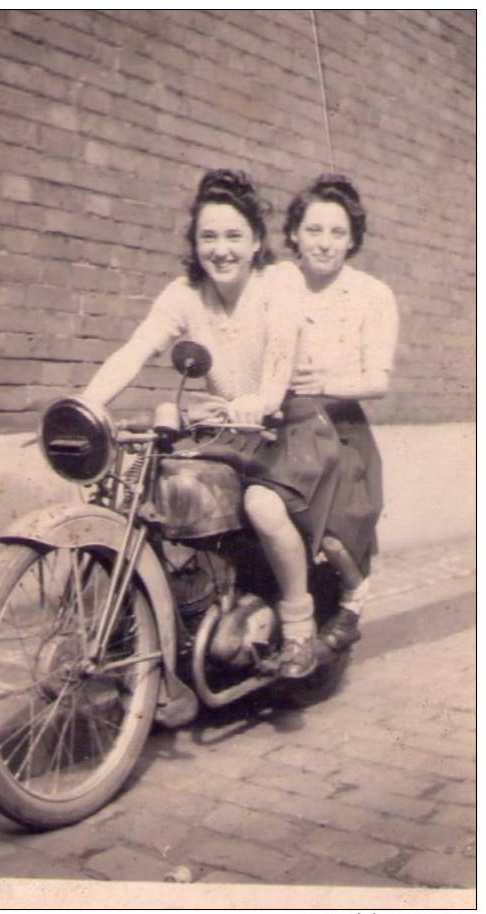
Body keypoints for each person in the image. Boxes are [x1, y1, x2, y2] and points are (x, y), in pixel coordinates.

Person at [82, 169, 327, 678]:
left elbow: (280, 353)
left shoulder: (277, 282)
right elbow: (137, 348)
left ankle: (299, 628)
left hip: (291, 423)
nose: (221, 249)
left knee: (262, 505)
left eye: (234, 236)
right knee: (160, 493)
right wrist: (86, 402)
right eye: (208, 236)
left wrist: (260, 399)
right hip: (231, 429)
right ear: (194, 244)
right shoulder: (183, 295)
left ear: (257, 241)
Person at [280, 173, 399, 650]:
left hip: (340, 429)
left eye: (336, 233)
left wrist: (325, 383)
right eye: (314, 230)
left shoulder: (372, 295)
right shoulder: (278, 282)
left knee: (332, 535)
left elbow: (378, 381)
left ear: (351, 240)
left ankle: (352, 597)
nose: (324, 244)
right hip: (280, 425)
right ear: (293, 233)